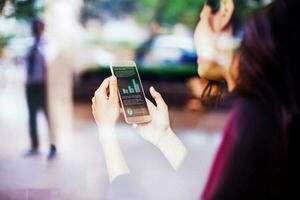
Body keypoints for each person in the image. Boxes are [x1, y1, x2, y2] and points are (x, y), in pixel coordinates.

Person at [92, 0, 298, 198]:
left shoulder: (249, 118)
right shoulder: (272, 111)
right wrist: (163, 136)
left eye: (201, 17)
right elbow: (202, 183)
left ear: (223, 13)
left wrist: (106, 132)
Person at [25, 18, 57, 159]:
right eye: (34, 27)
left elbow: (49, 63)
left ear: (43, 28)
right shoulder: (28, 45)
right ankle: (34, 146)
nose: (36, 29)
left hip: (44, 85)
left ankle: (53, 145)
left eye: (39, 27)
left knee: (48, 115)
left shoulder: (48, 45)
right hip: (30, 84)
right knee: (31, 116)